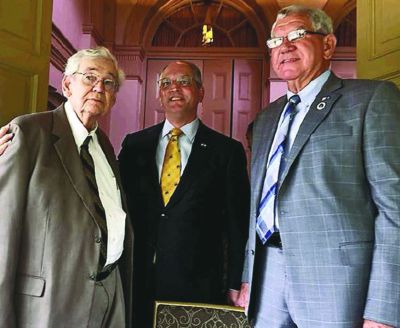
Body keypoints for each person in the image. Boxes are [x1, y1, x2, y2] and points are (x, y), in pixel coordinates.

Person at [244, 5, 400, 328]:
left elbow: (394, 210)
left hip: (337, 285)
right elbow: (258, 205)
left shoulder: (371, 100)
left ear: (328, 45)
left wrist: (384, 308)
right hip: (267, 277)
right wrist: (249, 276)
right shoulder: (265, 119)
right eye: (276, 41)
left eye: (298, 35)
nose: (285, 47)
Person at [0, 47, 134, 327]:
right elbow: (3, 231)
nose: (99, 87)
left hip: (109, 295)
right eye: (89, 77)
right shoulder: (29, 132)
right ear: (66, 84)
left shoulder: (106, 146)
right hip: (47, 303)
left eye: (108, 83)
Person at [118, 60, 250, 327]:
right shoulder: (134, 145)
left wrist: (237, 281)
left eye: (184, 82)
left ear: (201, 92)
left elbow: (238, 223)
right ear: (159, 94)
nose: (174, 89)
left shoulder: (226, 151)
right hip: (137, 278)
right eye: (166, 83)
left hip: (198, 283)